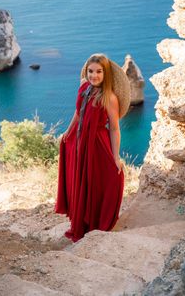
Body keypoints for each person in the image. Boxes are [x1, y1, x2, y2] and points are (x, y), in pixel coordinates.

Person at [55, 53, 130, 242]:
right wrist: (68, 132)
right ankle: (81, 221)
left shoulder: (109, 98)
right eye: (90, 71)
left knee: (107, 178)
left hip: (97, 143)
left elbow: (114, 128)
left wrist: (115, 157)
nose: (93, 75)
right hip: (81, 141)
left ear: (106, 74)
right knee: (82, 180)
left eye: (98, 72)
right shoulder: (83, 87)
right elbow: (78, 114)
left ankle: (96, 222)